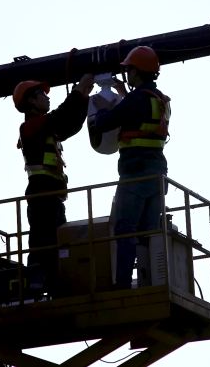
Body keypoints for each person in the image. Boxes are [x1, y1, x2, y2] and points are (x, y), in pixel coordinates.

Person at [89, 46, 171, 290]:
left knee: (125, 230)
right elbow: (136, 114)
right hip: (157, 175)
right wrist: (122, 94)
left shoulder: (136, 99)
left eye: (129, 70)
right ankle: (152, 282)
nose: (127, 74)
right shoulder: (160, 100)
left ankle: (123, 284)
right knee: (150, 232)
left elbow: (107, 122)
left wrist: (99, 109)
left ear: (138, 71)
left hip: (134, 174)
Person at [14, 74, 94, 296]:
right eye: (42, 95)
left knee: (57, 243)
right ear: (30, 101)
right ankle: (35, 288)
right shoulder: (30, 127)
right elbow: (59, 117)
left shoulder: (45, 128)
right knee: (42, 244)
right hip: (41, 196)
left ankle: (54, 286)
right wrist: (78, 91)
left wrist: (84, 96)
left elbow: (70, 124)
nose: (47, 98)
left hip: (53, 197)